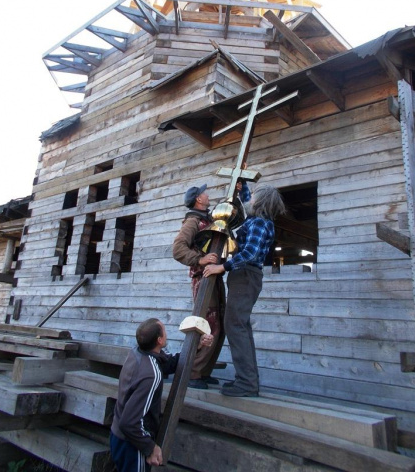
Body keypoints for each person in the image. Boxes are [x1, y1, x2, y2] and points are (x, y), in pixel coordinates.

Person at [203, 184, 286, 398]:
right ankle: (247, 379)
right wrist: (243, 187)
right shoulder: (256, 219)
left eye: (254, 198)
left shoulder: (259, 223)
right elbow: (249, 201)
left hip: (246, 275)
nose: (250, 200)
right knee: (241, 326)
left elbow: (250, 252)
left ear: (260, 203)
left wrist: (222, 266)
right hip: (246, 277)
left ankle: (246, 383)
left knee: (235, 326)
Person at [110, 317, 212, 471]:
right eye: (164, 331)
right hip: (131, 443)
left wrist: (197, 346)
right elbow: (129, 423)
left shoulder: (138, 353)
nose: (167, 333)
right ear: (159, 340)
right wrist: (149, 447)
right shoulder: (151, 375)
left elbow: (169, 363)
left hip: (119, 436)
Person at [172, 184, 223, 389]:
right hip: (202, 277)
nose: (207, 194)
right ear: (198, 200)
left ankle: (203, 371)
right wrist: (199, 260)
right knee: (208, 324)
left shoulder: (206, 220)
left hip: (214, 275)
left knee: (219, 323)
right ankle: (193, 373)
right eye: (204, 193)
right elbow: (178, 249)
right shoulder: (193, 221)